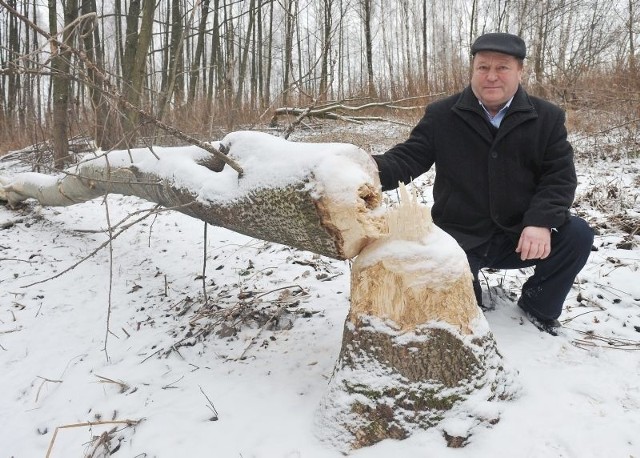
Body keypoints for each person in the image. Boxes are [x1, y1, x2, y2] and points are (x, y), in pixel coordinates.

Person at [371, 32, 594, 335]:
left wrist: (540, 221)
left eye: (502, 68)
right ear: (473, 69)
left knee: (577, 234)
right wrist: (365, 169)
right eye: (483, 67)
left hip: (520, 235)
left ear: (520, 71)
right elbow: (408, 158)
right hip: (460, 236)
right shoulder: (442, 115)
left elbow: (559, 176)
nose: (491, 76)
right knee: (461, 313)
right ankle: (470, 293)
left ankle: (538, 306)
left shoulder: (547, 118)